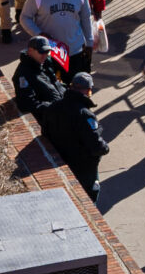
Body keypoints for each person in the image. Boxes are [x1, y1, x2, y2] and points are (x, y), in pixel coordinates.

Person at [39, 71, 106, 201]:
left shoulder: (53, 107)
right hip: (82, 167)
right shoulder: (85, 115)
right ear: (88, 91)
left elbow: (45, 132)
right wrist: (105, 148)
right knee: (89, 196)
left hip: (60, 160)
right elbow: (96, 145)